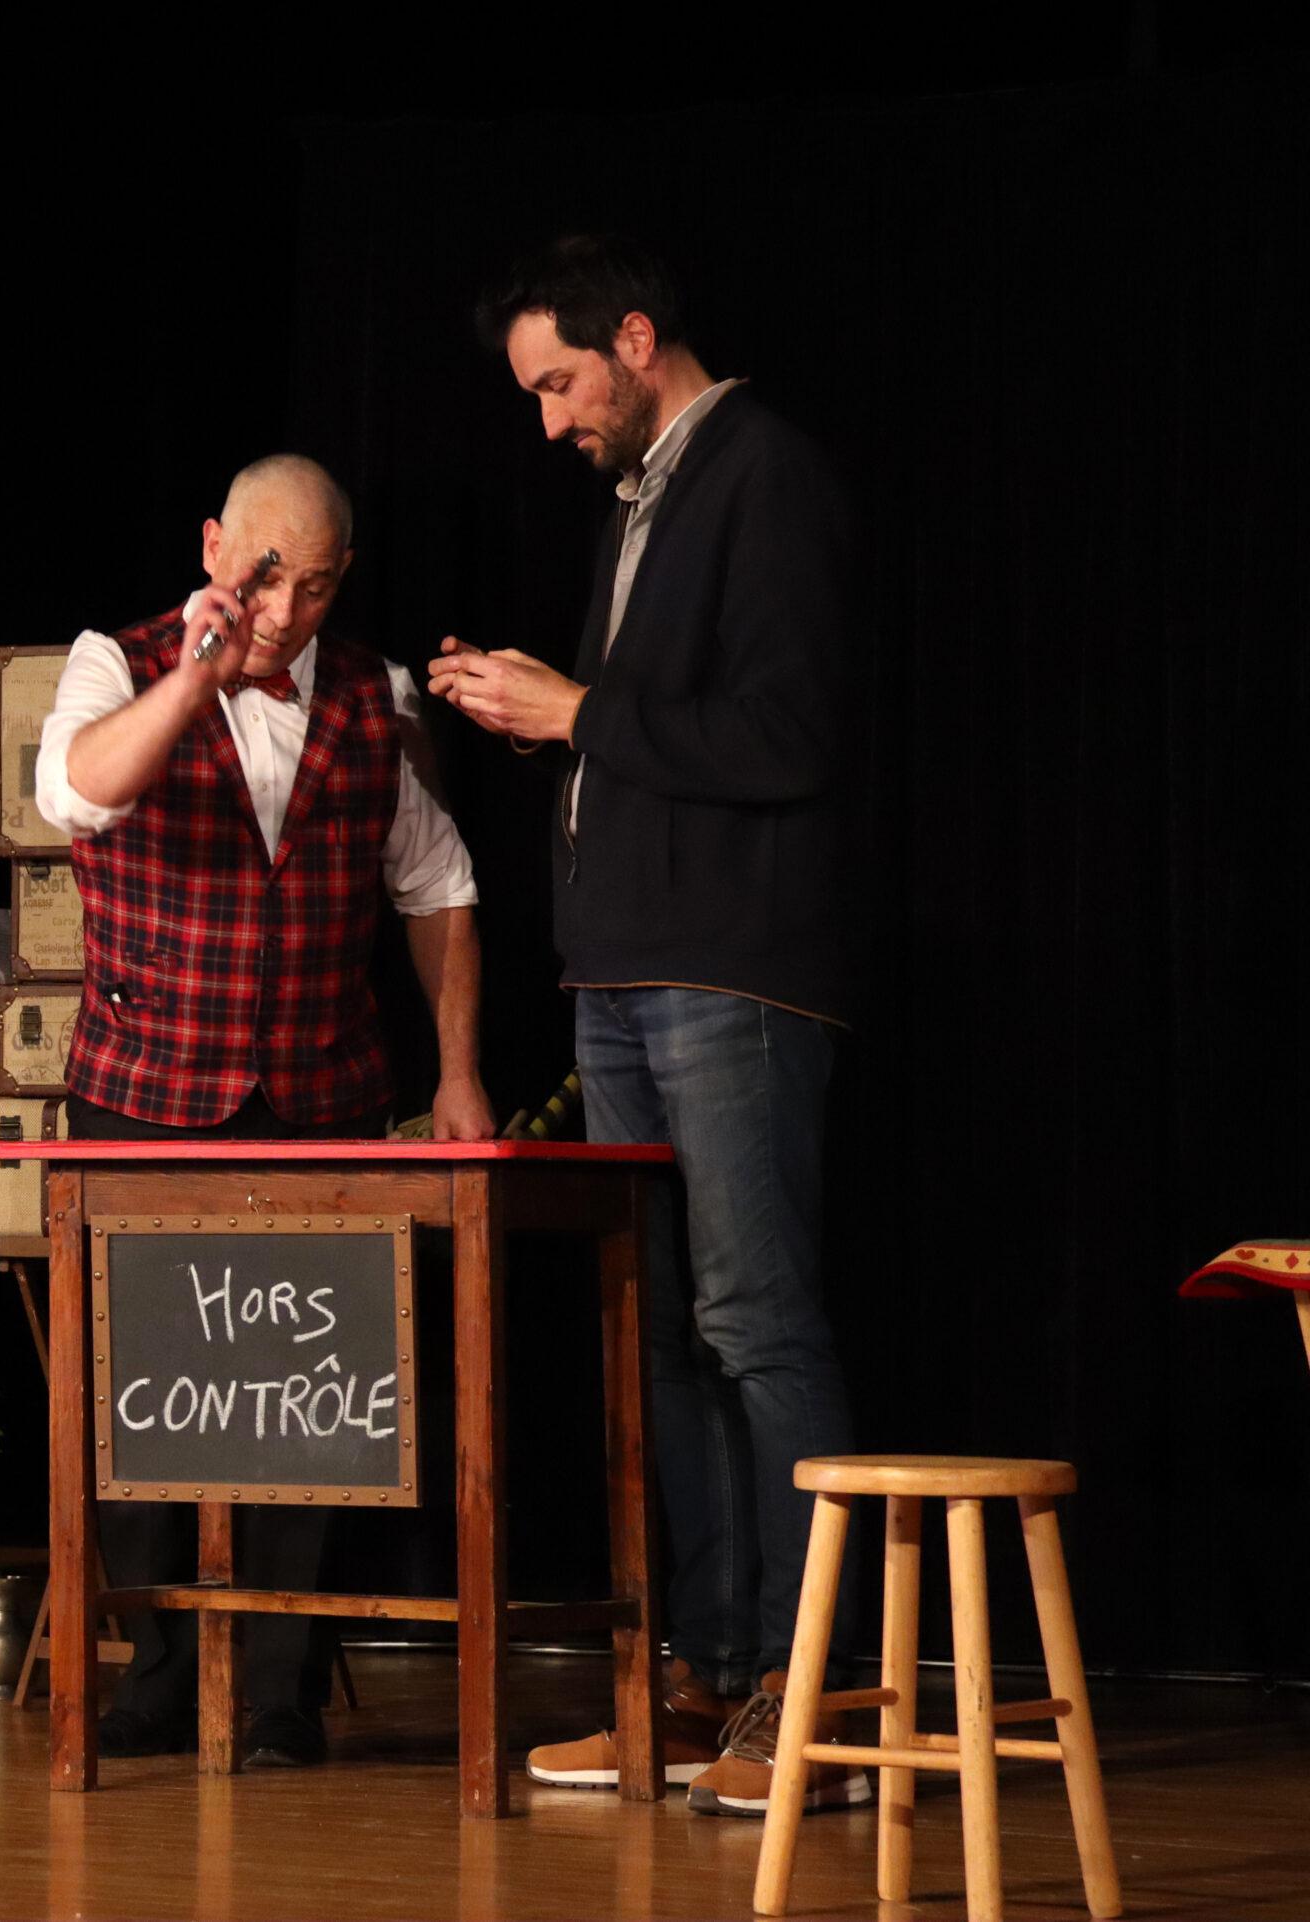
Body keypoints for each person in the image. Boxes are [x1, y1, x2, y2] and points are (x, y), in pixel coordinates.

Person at [430, 235, 866, 1818]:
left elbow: (787, 730)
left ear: (635, 334)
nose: (548, 421)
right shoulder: (646, 498)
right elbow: (651, 739)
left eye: (560, 383)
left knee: (756, 1323)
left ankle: (818, 1699)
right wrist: (531, 706)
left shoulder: (763, 472)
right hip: (621, 977)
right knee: (667, 1339)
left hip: (728, 977)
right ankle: (707, 1672)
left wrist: (577, 714)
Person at [36, 453, 497, 1767]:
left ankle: (279, 1689)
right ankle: (159, 1673)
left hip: (319, 1090)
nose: (281, 609)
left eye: (308, 584)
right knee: (147, 1396)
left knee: (311, 1395)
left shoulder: (372, 693)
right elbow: (76, 789)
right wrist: (201, 672)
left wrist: (457, 1071)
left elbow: (440, 883)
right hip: (145, 1090)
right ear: (214, 549)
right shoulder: (115, 662)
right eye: (260, 575)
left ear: (341, 580)